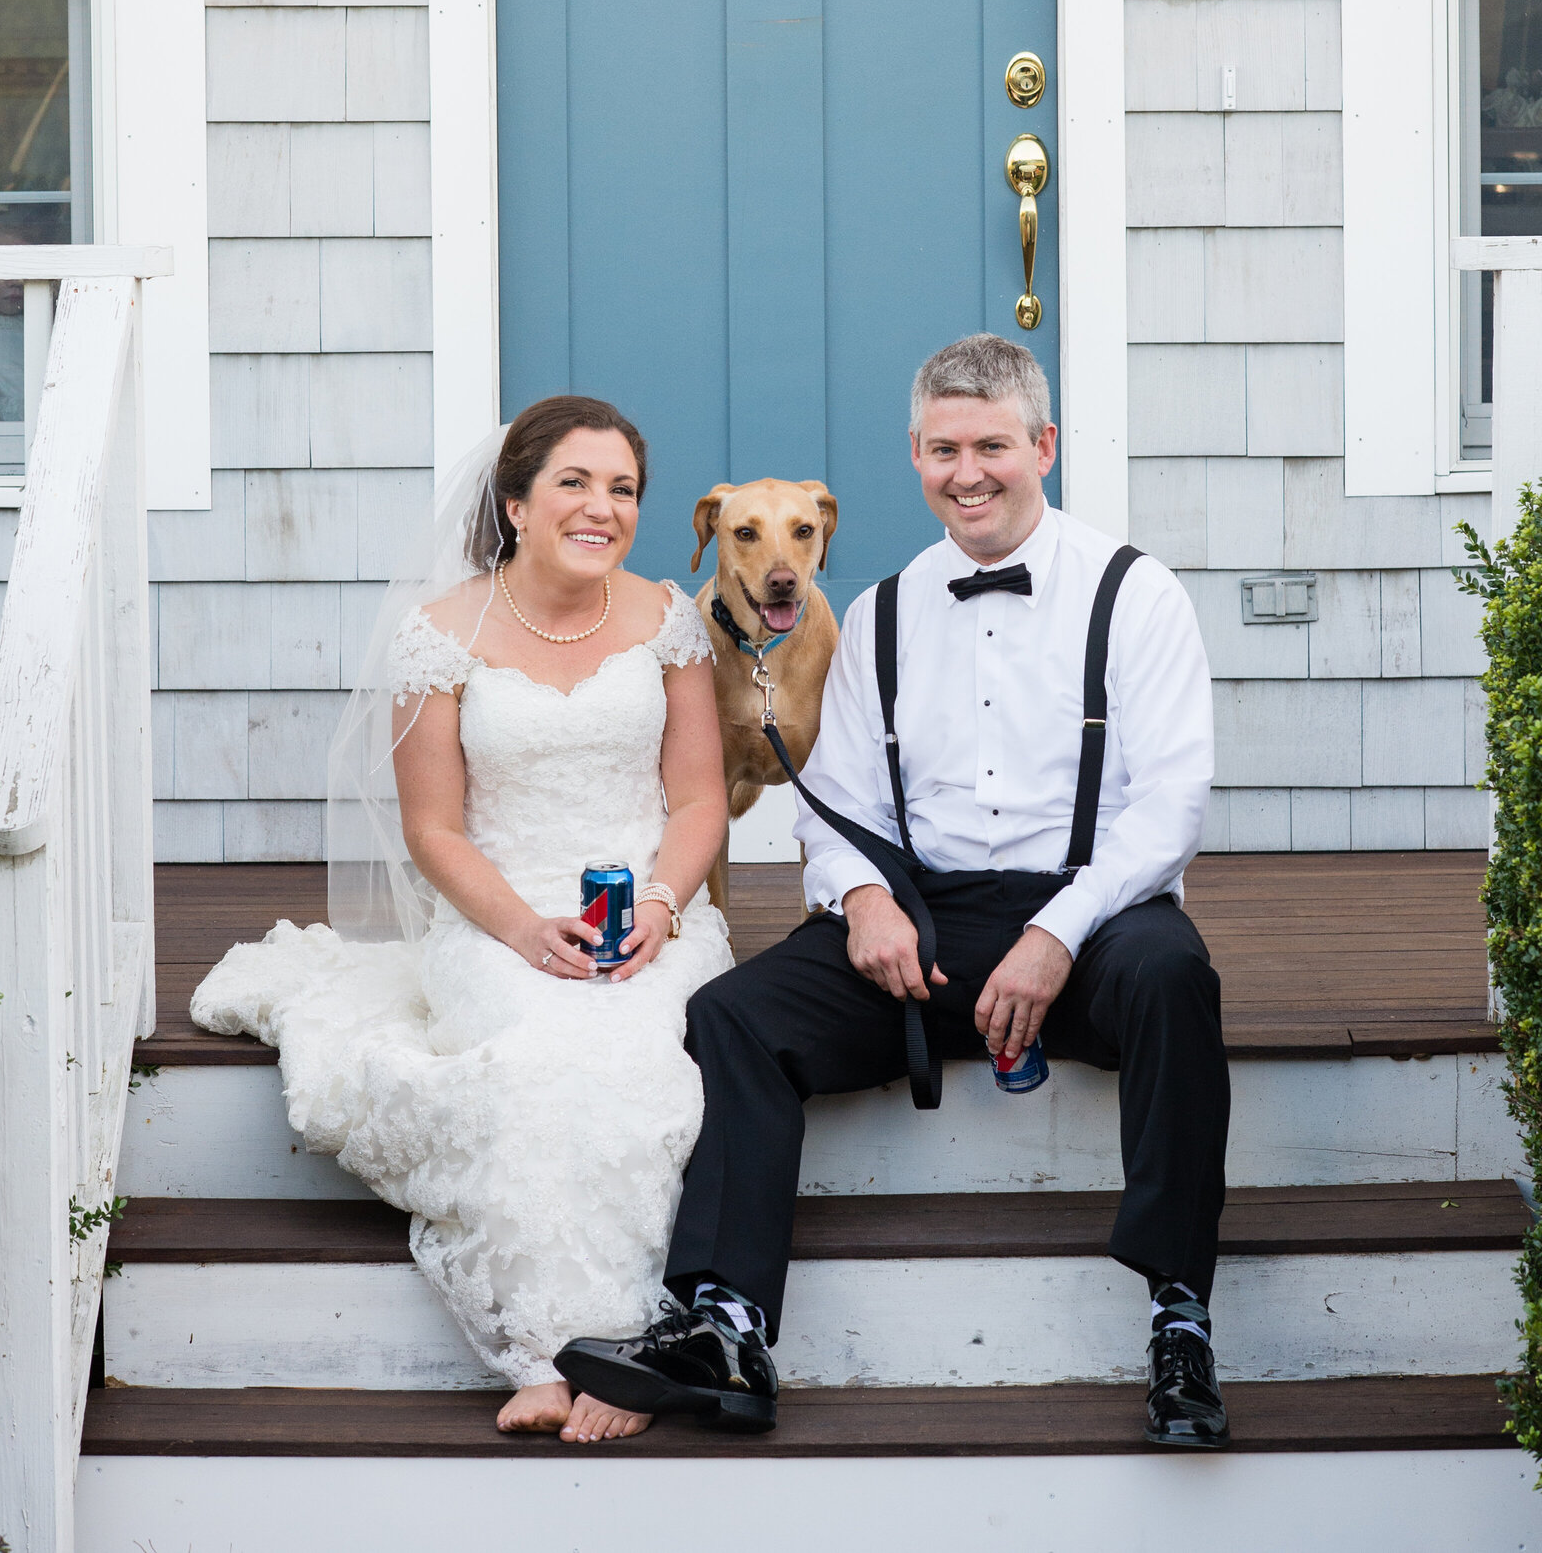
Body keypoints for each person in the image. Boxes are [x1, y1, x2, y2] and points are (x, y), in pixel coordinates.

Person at [558, 334, 1230, 1449]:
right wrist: (861, 899)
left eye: (992, 447)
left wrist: (1058, 932)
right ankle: (726, 1324)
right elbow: (835, 806)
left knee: (1175, 979)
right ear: (914, 458)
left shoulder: (1135, 592)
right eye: (941, 449)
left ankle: (1179, 1318)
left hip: (1095, 911)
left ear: (1043, 447)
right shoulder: (877, 613)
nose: (967, 472)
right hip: (927, 919)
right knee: (735, 1012)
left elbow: (1169, 809)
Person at [192, 395, 733, 1444]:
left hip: (650, 914)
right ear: (517, 503)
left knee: (631, 1058)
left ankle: (617, 1352)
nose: (601, 507)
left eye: (622, 488)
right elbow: (434, 829)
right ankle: (542, 1351)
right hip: (497, 914)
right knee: (529, 1062)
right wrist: (526, 929)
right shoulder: (442, 635)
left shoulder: (667, 617)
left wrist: (664, 905)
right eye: (574, 482)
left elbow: (701, 798)